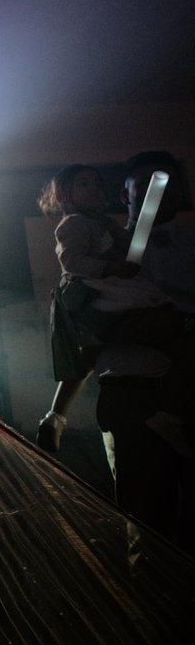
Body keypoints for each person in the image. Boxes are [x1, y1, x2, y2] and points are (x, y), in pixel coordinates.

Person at [38, 162, 195, 458]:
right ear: (62, 195)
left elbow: (132, 250)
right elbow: (72, 262)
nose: (94, 188)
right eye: (83, 184)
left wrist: (113, 229)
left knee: (92, 351)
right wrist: (111, 267)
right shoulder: (72, 224)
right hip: (102, 295)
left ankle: (56, 416)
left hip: (114, 291)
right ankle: (56, 416)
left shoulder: (101, 223)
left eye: (97, 183)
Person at [96, 150, 195, 558]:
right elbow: (87, 314)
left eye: (170, 184)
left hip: (191, 389)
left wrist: (176, 326)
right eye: (151, 183)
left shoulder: (191, 244)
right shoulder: (98, 246)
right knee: (147, 532)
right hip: (131, 394)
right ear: (125, 193)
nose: (162, 192)